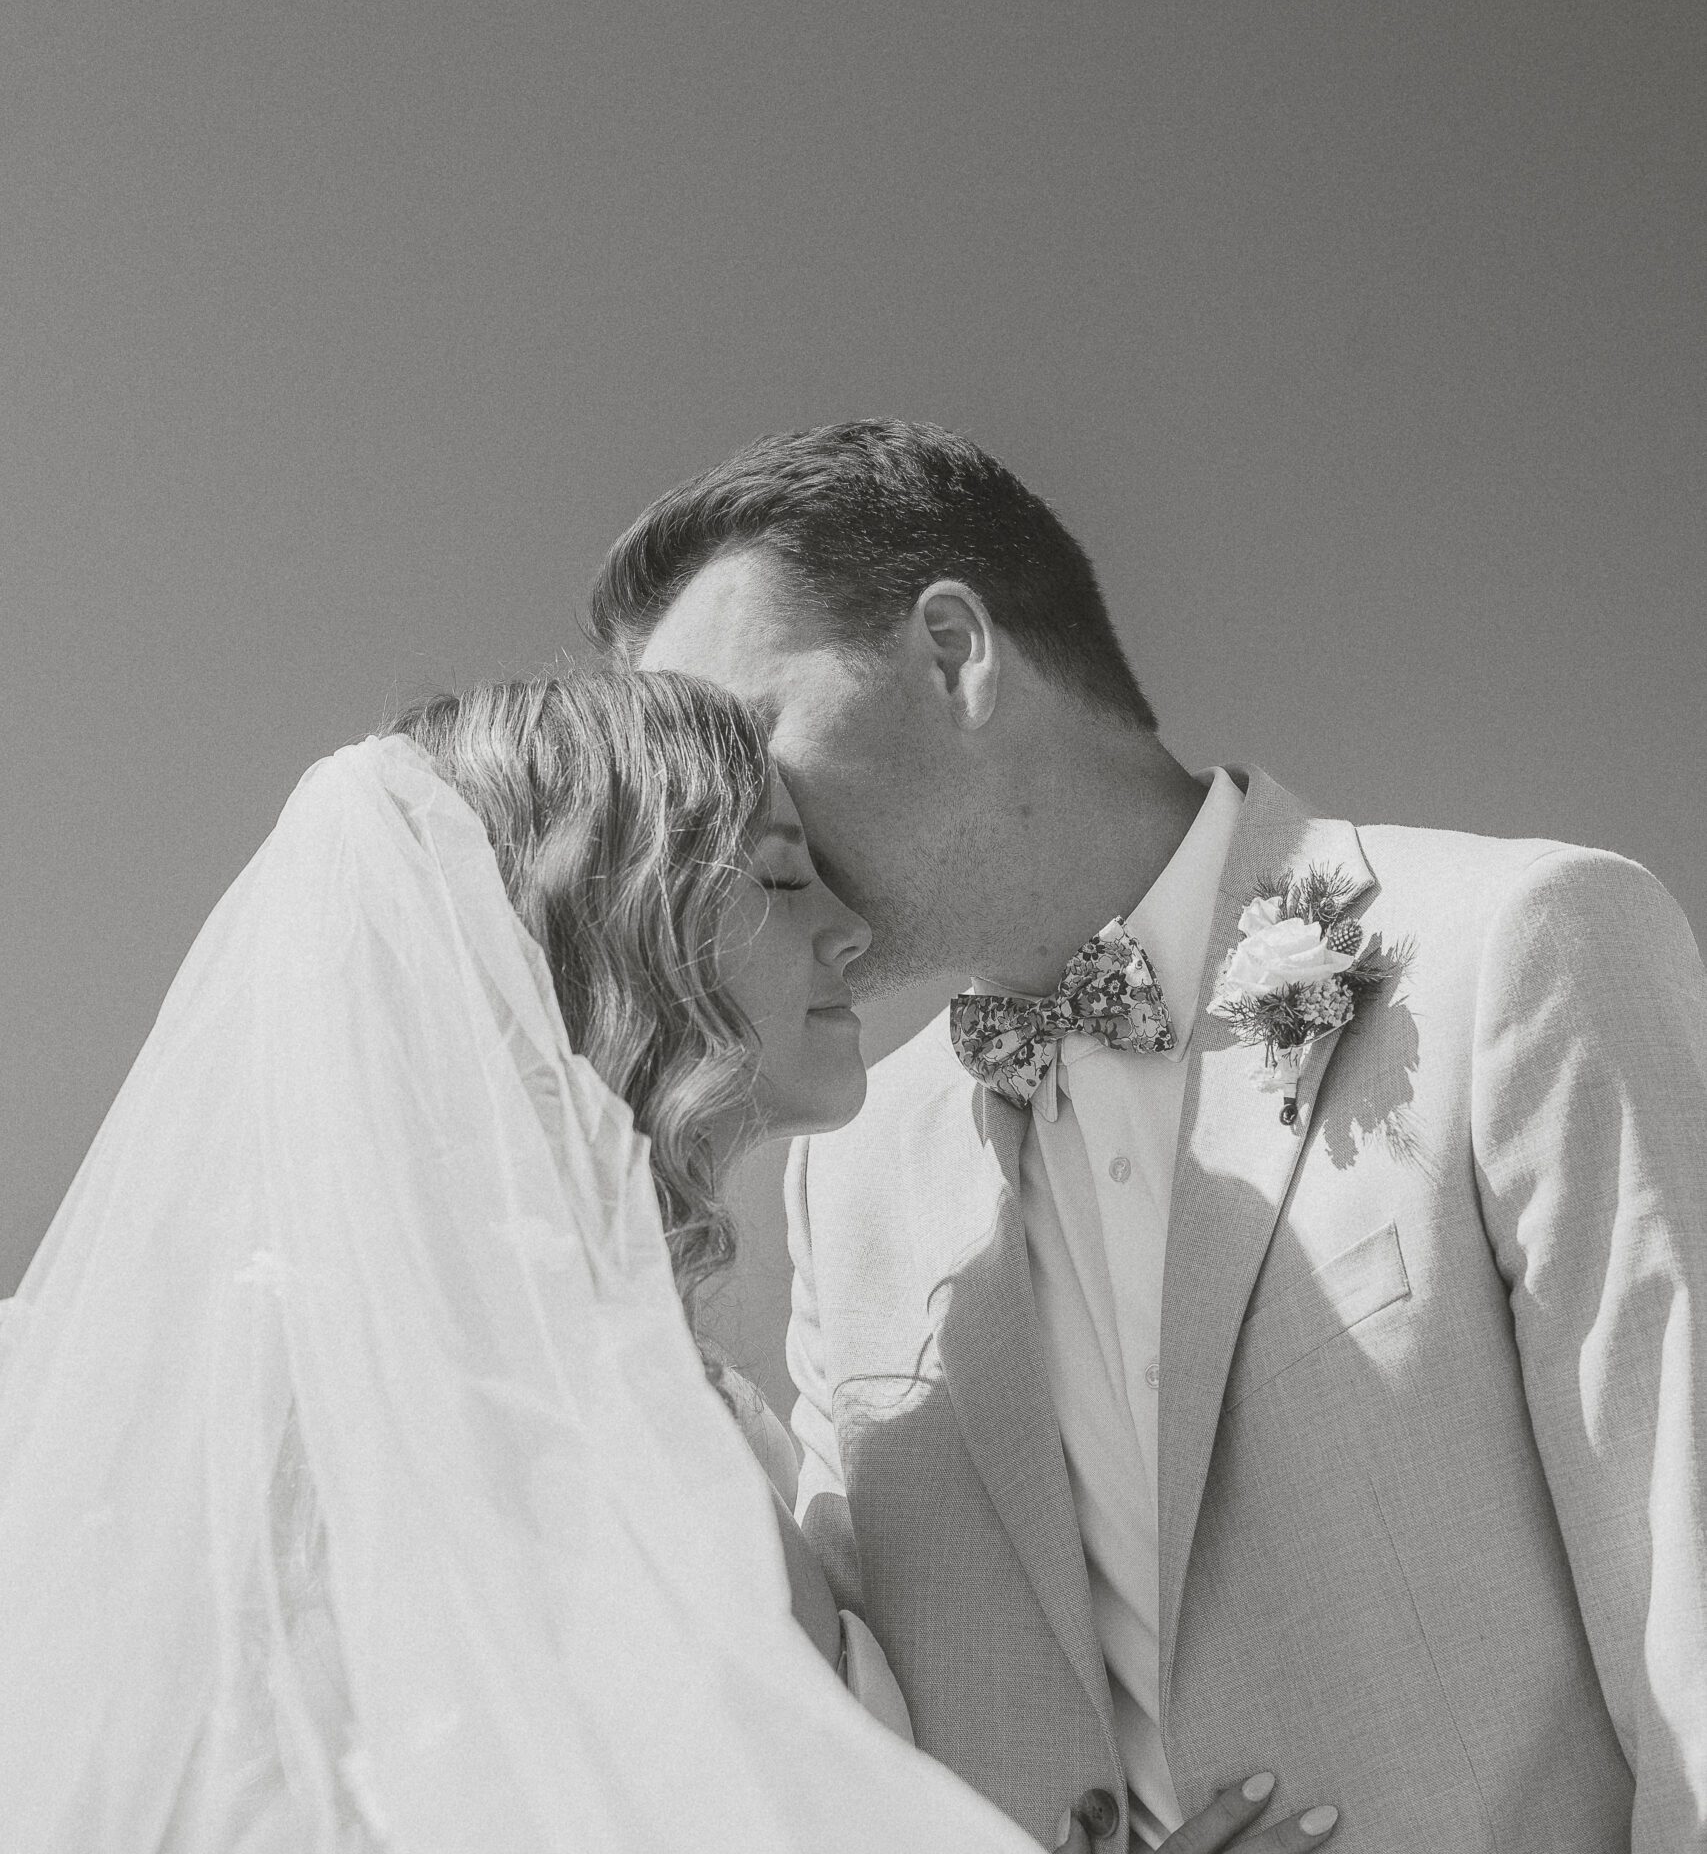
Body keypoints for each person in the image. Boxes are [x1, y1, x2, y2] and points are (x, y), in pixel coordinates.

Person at [591, 417, 1707, 1854]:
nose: (732, 828)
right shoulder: (848, 1175)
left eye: (741, 741)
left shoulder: (1524, 950)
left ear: (952, 653)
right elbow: (851, 1732)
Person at [0, 670, 1327, 1854]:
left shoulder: (680, 1401)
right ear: (613, 921)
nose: (851, 934)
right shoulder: (342, 1403)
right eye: (780, 871)